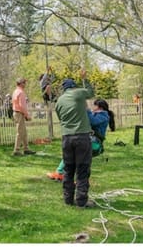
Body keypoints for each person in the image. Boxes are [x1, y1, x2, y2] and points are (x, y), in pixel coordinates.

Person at [54, 72, 96, 208]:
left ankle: (68, 199)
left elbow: (61, 119)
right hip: (81, 136)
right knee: (82, 169)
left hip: (66, 138)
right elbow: (90, 92)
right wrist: (85, 79)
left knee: (68, 169)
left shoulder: (59, 101)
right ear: (73, 86)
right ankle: (81, 201)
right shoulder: (78, 93)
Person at [48, 98, 115, 181]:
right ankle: (60, 173)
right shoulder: (96, 114)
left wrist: (87, 110)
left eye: (94, 105)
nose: (92, 106)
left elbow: (92, 121)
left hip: (95, 143)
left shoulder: (103, 116)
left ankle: (70, 176)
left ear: (99, 107)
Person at [11, 78, 34, 156]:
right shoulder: (21, 92)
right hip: (19, 113)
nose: (25, 84)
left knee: (24, 132)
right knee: (20, 132)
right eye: (24, 83)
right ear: (20, 83)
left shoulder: (15, 91)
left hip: (17, 113)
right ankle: (16, 150)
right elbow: (22, 106)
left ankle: (26, 149)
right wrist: (27, 115)